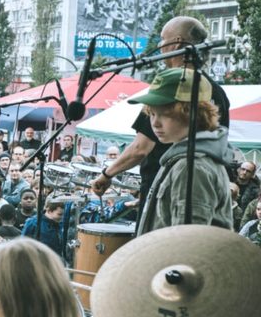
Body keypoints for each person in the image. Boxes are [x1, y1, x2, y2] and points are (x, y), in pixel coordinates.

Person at [128, 67, 235, 317]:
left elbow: (187, 244)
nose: (154, 122)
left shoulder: (192, 166)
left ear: (189, 112)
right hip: (188, 306)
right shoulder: (182, 157)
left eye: (162, 113)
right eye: (151, 115)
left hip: (179, 308)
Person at [91, 16, 230, 213]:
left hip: (167, 185)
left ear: (177, 43)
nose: (160, 45)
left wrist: (107, 174)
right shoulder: (217, 91)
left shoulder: (169, 89)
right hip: (184, 185)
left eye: (163, 39)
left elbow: (141, 147)